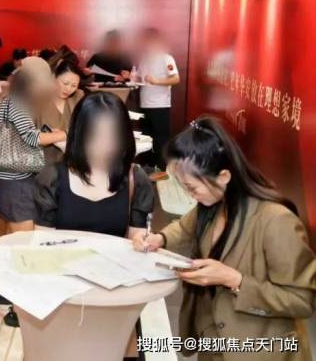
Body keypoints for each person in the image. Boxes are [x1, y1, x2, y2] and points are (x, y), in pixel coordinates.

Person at [134, 117, 316, 361]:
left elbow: (302, 300)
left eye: (192, 187)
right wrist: (159, 238)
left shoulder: (276, 221)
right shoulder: (213, 203)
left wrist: (234, 280)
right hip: (213, 343)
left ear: (224, 176)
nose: (190, 195)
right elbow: (185, 228)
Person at [36, 91, 154, 238]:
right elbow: (44, 241)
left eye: (113, 136)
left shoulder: (136, 178)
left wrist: (141, 241)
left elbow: (136, 237)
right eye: (94, 136)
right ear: (78, 134)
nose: (105, 146)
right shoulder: (52, 178)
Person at [0, 56, 66, 234]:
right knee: (23, 240)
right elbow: (31, 137)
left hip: (10, 181)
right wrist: (63, 134)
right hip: (16, 183)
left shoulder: (12, 101)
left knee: (12, 239)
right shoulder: (17, 103)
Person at [137, 27, 180, 171]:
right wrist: (129, 77)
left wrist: (157, 81)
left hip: (160, 105)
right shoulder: (144, 59)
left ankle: (162, 169)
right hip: (144, 104)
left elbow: (176, 79)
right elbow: (140, 79)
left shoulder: (167, 58)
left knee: (161, 139)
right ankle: (147, 168)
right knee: (146, 138)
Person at [36, 55, 85, 163]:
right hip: (42, 159)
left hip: (72, 158)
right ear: (54, 77)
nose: (68, 89)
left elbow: (85, 128)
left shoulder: (78, 96)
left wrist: (56, 136)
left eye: (74, 85)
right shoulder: (38, 99)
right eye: (65, 83)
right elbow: (30, 136)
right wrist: (67, 134)